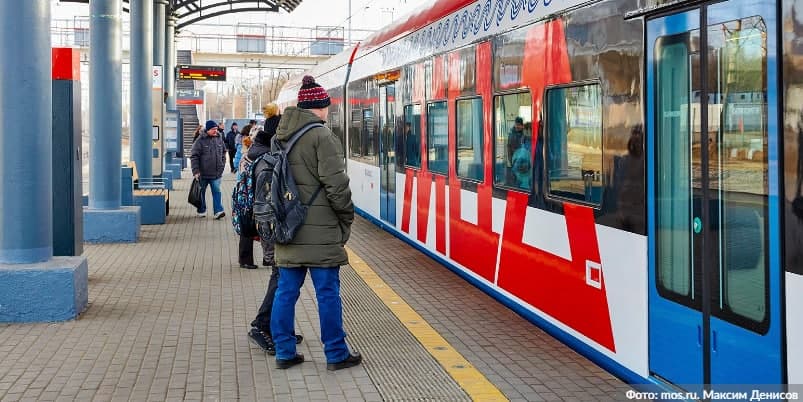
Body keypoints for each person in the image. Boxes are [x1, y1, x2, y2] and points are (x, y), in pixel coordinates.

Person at [269, 75, 361, 371]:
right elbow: (337, 187)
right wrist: (346, 215)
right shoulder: (322, 137)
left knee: (285, 292)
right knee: (327, 294)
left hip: (287, 226)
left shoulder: (280, 136)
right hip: (320, 232)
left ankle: (284, 352)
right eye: (326, 106)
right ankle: (335, 354)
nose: (328, 111)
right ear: (318, 107)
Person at [190, 120, 227, 219]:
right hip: (203, 173)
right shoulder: (200, 140)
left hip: (216, 173)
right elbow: (194, 156)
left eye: (216, 129)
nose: (216, 131)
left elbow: (224, 152)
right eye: (213, 129)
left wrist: (222, 165)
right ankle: (202, 210)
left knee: (217, 191)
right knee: (201, 192)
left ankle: (218, 211)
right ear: (208, 130)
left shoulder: (219, 138)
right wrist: (196, 171)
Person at [506, 117, 526, 185]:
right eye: (516, 124)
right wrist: (510, 159)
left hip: (522, 160)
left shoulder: (524, 134)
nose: (517, 126)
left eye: (519, 125)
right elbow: (509, 147)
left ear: (522, 125)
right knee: (514, 178)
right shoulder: (511, 134)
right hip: (514, 160)